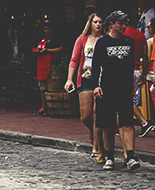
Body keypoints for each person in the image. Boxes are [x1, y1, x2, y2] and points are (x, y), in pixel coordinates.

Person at [91, 10, 141, 171]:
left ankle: (130, 156)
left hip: (124, 87)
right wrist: (95, 86)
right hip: (107, 87)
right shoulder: (103, 43)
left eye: (125, 23)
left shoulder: (129, 41)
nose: (124, 26)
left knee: (127, 123)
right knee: (107, 124)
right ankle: (110, 157)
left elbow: (131, 65)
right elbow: (95, 66)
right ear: (112, 25)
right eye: (120, 23)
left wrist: (134, 84)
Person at [65, 13, 105, 161]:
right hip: (85, 79)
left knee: (97, 113)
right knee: (86, 116)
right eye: (95, 22)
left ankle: (96, 146)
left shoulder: (105, 40)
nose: (98, 24)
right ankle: (93, 133)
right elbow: (74, 60)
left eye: (100, 22)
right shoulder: (82, 40)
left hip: (101, 80)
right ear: (90, 24)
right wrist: (70, 79)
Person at [32, 20, 63, 116]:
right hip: (41, 67)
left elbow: (61, 48)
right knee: (43, 88)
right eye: (44, 29)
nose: (46, 31)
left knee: (51, 87)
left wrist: (47, 50)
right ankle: (44, 108)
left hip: (51, 66)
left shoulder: (55, 39)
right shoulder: (42, 39)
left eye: (47, 29)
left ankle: (52, 108)